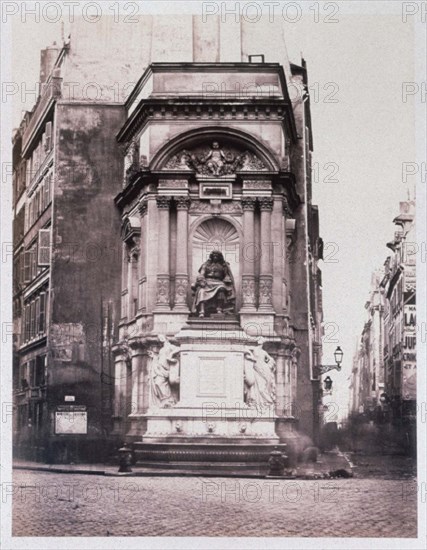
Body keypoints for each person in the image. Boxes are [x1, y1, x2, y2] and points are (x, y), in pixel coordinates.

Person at [191, 250, 235, 317]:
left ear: (220, 257)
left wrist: (227, 279)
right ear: (211, 256)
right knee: (202, 291)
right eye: (214, 255)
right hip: (207, 282)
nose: (215, 257)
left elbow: (227, 276)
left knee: (222, 288)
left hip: (219, 282)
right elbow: (202, 274)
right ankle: (201, 311)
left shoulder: (223, 265)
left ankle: (219, 309)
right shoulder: (206, 265)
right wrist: (201, 280)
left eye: (217, 256)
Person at [148, 335, 180, 408]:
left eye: (162, 337)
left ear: (166, 338)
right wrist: (154, 356)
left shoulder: (170, 346)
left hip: (166, 369)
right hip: (160, 368)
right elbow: (160, 358)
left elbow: (179, 348)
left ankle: (169, 400)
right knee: (157, 383)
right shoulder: (162, 349)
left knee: (159, 383)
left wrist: (171, 354)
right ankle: (165, 400)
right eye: (159, 338)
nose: (160, 338)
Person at [244, 337, 276, 410]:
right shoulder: (254, 350)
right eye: (260, 343)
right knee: (259, 388)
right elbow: (249, 354)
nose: (261, 344)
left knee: (263, 387)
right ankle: (262, 403)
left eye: (262, 343)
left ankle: (266, 403)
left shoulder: (263, 352)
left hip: (264, 370)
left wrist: (269, 365)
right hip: (257, 370)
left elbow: (270, 360)